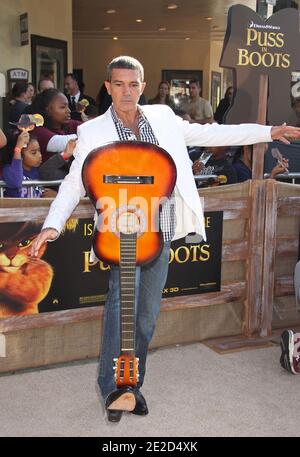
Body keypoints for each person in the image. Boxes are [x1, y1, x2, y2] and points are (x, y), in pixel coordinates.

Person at [30, 55, 300, 423]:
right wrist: (52, 225)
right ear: (108, 87)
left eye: (133, 84)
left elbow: (213, 133)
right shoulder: (92, 132)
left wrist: (268, 132)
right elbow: (74, 184)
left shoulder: (163, 117)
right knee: (121, 309)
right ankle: (112, 388)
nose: (126, 92)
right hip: (121, 233)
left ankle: (133, 385)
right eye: (119, 84)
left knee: (145, 315)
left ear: (142, 86)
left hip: (164, 229)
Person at [30, 88, 81, 162]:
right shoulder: (37, 130)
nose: (69, 110)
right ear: (47, 110)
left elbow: (89, 127)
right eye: (63, 107)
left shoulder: (67, 124)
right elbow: (64, 143)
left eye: (68, 106)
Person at [2, 130, 56, 198]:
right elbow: (16, 182)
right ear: (20, 155)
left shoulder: (37, 171)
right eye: (33, 153)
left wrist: (55, 195)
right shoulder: (8, 170)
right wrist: (18, 149)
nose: (40, 155)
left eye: (39, 151)